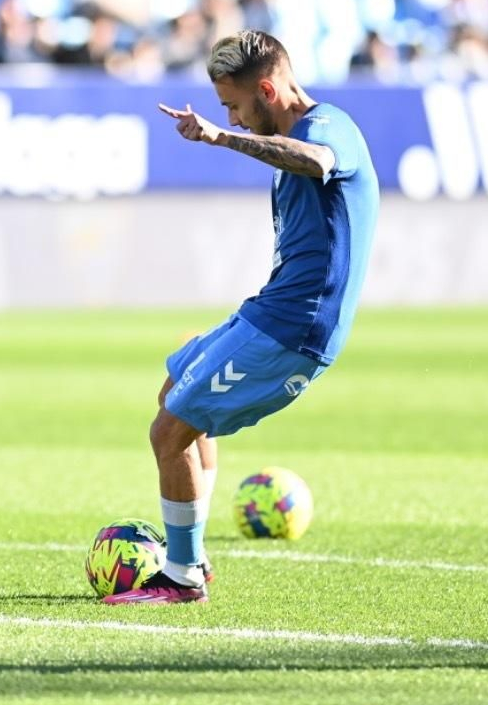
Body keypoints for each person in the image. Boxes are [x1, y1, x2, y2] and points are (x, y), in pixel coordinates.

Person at [103, 31, 380, 604]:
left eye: (234, 105)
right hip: (269, 309)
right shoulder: (289, 131)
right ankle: (194, 555)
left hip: (297, 327)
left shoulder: (327, 128)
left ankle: (180, 577)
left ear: (267, 89)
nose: (232, 116)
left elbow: (315, 162)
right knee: (174, 391)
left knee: (170, 431)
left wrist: (221, 137)